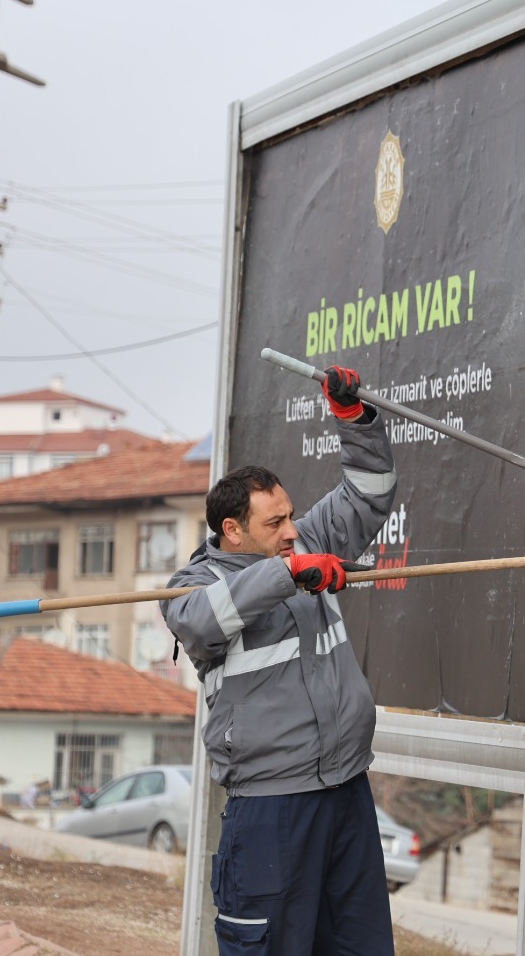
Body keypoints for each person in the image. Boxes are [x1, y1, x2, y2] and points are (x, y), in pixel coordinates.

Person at [162, 365, 397, 956]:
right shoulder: (195, 585)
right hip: (271, 810)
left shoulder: (304, 544)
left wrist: (354, 420)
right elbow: (195, 620)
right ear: (233, 531)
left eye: (292, 515)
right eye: (277, 523)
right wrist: (287, 574)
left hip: (347, 791)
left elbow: (370, 494)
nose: (294, 531)